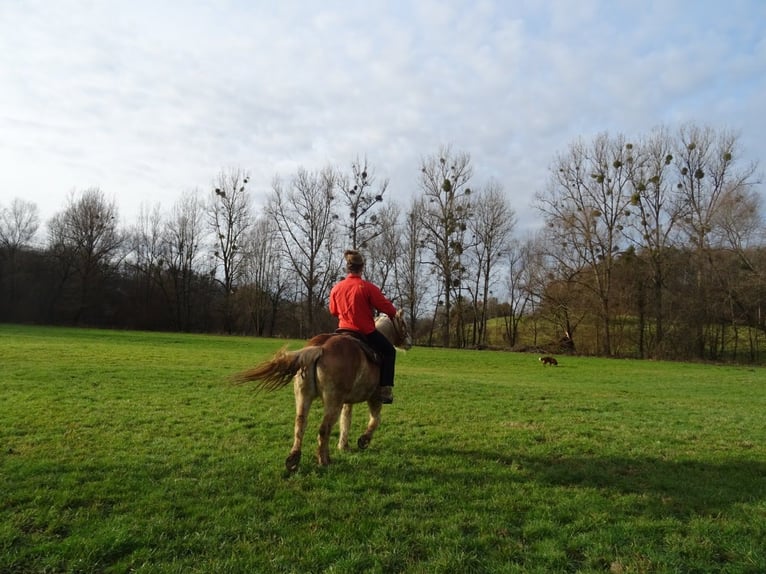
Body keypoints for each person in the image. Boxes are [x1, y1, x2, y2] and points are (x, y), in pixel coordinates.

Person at [329, 249, 398, 404]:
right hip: (365, 332)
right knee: (389, 351)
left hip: (341, 331)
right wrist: (394, 313)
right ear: (362, 267)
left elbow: (333, 311)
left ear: (347, 268)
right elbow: (387, 308)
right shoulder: (367, 287)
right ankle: (385, 390)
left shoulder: (336, 288)